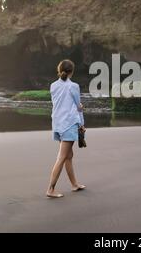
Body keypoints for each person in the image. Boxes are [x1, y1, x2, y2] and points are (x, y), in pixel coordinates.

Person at [46, 59, 86, 198]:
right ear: (72, 71)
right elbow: (78, 107)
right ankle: (50, 189)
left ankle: (74, 184)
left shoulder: (53, 86)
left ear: (60, 70)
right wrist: (82, 124)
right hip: (69, 124)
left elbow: (60, 103)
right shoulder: (73, 86)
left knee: (69, 156)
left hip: (57, 124)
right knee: (62, 157)